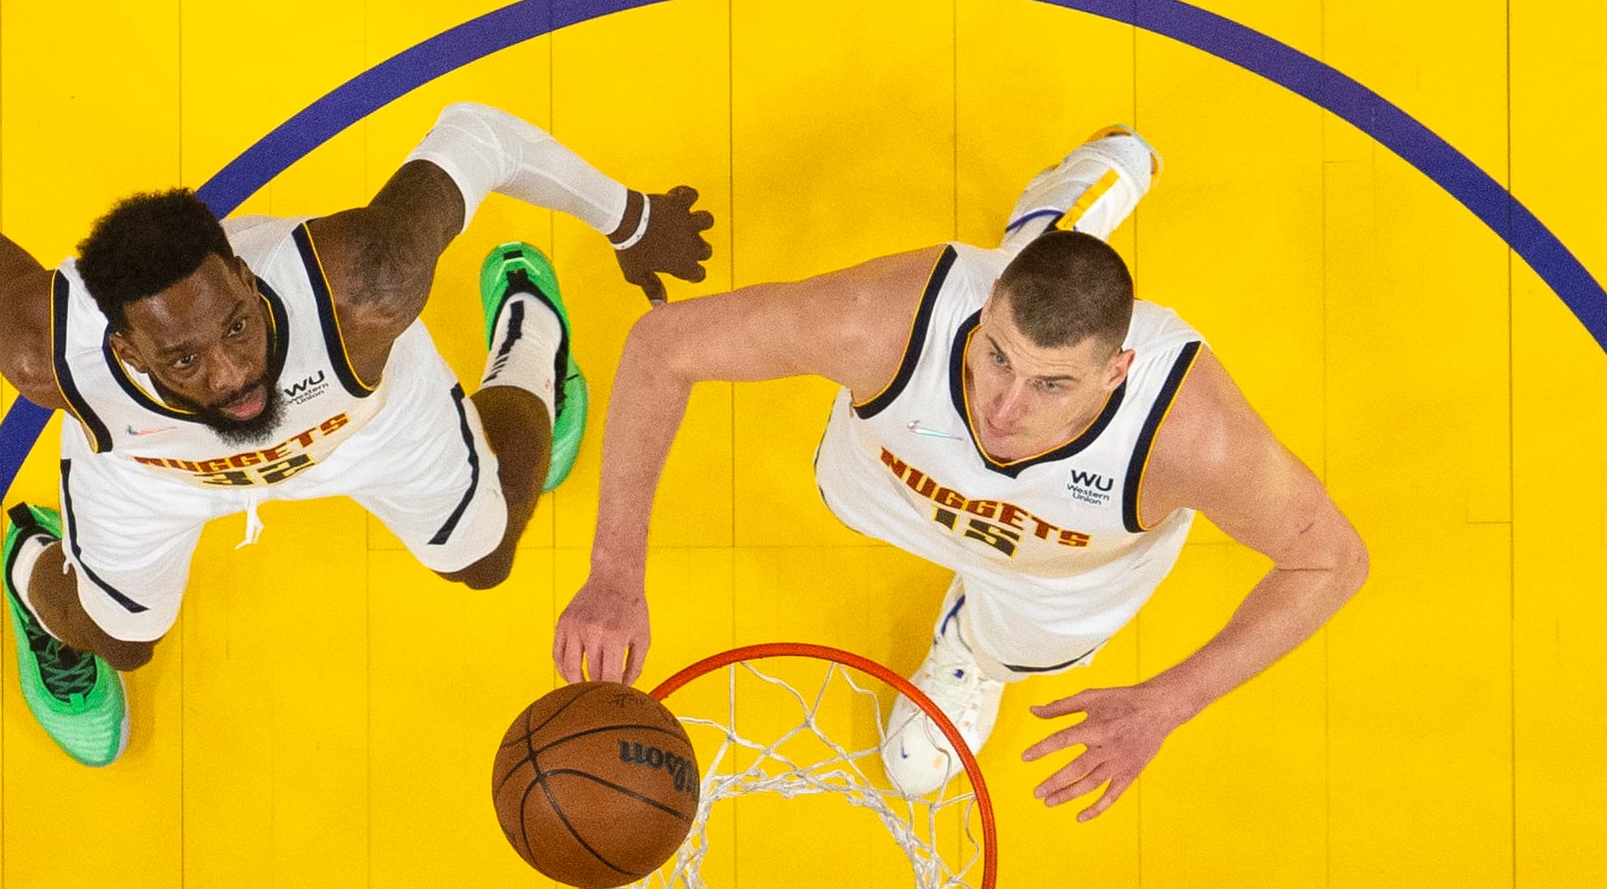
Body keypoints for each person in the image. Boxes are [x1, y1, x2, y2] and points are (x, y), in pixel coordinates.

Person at [0, 103, 713, 765]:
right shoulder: (46, 353)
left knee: (486, 555)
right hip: (154, 474)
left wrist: (627, 219)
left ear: (238, 268)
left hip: (362, 425)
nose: (231, 374)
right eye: (183, 361)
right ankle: (28, 565)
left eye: (236, 325)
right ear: (125, 347)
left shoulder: (361, 283)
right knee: (120, 642)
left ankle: (528, 341)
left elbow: (478, 135)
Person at [553, 129, 1367, 820]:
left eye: (1052, 384)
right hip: (892, 487)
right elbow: (662, 346)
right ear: (977, 320)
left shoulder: (1192, 434)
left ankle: (969, 654)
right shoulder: (885, 320)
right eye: (994, 357)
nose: (1003, 410)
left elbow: (1331, 560)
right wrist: (614, 571)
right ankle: (1042, 229)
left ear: (1116, 373)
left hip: (1063, 572)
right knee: (1005, 286)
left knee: (1016, 652)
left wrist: (1168, 702)